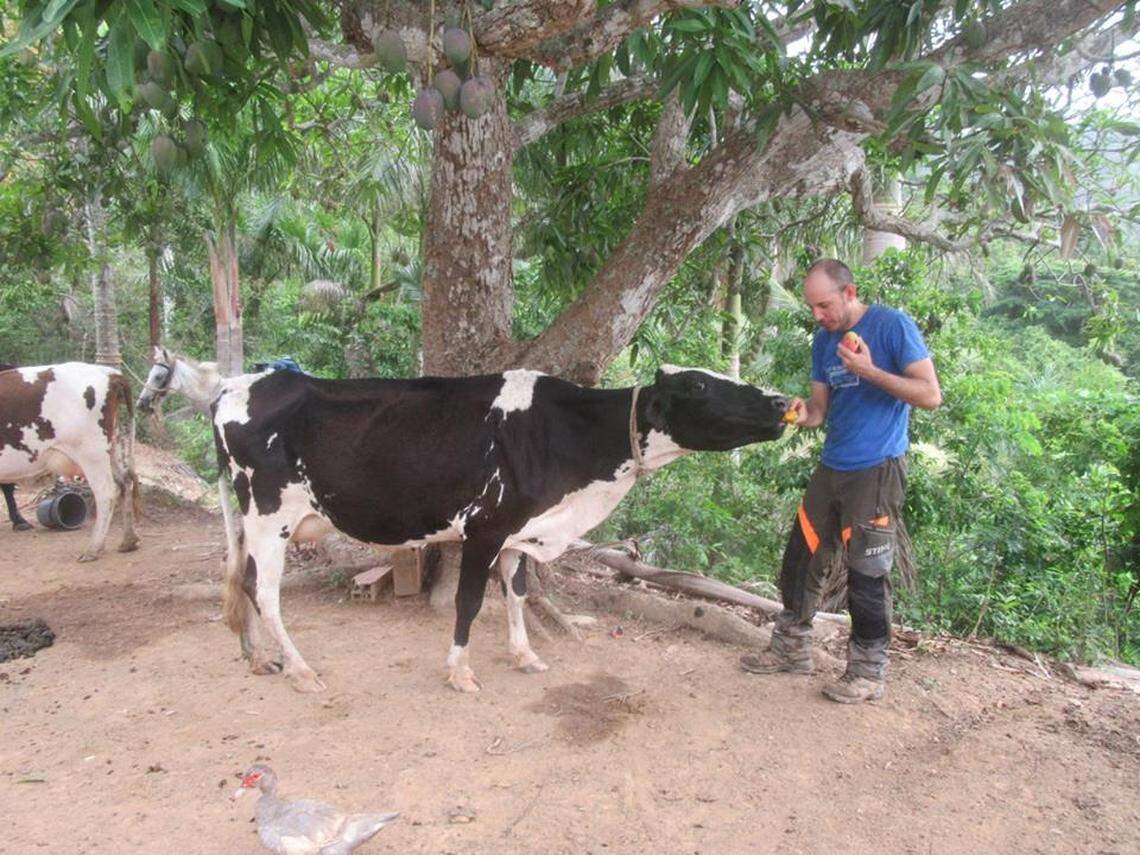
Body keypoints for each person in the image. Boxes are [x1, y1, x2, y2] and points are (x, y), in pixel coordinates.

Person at [742, 258, 942, 703]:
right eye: (813, 307)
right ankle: (792, 648)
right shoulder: (823, 339)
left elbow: (930, 395)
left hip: (876, 469)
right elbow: (818, 411)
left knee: (868, 573)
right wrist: (800, 413)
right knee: (800, 558)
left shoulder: (893, 326)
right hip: (833, 466)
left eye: (825, 305)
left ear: (850, 293)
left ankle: (868, 672)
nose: (818, 315)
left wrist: (869, 370)